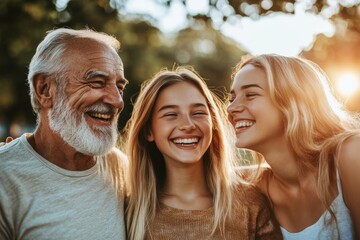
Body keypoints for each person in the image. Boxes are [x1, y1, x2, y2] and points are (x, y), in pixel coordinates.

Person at [122, 66, 283, 240]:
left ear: (213, 124)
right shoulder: (129, 212)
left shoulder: (250, 204)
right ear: (148, 131)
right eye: (170, 114)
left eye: (198, 113)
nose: (188, 125)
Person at [0, 28, 128, 239]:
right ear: (45, 89)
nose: (117, 101)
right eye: (97, 82)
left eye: (120, 87)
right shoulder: (6, 179)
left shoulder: (121, 169)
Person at [227, 54, 360, 240]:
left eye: (250, 95)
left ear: (291, 102)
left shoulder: (351, 154)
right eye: (232, 98)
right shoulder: (257, 185)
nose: (231, 108)